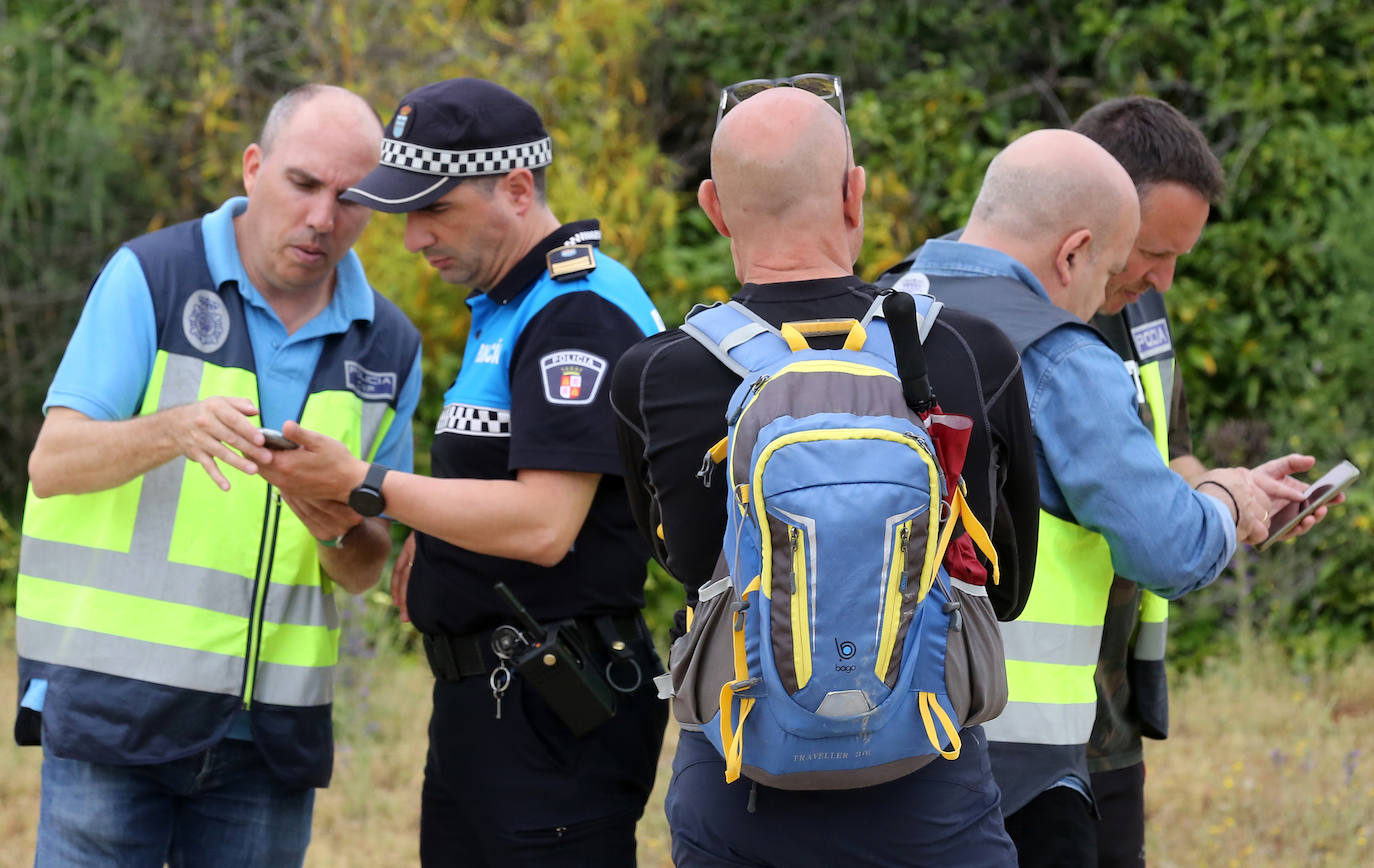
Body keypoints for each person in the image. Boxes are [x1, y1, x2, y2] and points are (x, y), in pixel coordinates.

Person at [612, 80, 1039, 866]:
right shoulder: (970, 350)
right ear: (856, 193)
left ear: (713, 207)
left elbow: (679, 563)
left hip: (741, 780)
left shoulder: (651, 375)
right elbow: (1008, 590)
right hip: (930, 782)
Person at [261, 77, 669, 866]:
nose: (413, 238)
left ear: (517, 190)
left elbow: (545, 526)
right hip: (492, 707)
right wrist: (431, 539)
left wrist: (368, 484)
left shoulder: (574, 308)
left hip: (550, 713)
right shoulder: (510, 304)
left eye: (434, 209)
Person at [14, 84, 423, 867]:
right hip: (114, 714)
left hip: (270, 739)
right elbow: (53, 463)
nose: (322, 219)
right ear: (253, 168)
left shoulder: (391, 345)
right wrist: (171, 430)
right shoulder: (149, 275)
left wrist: (332, 519)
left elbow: (364, 568)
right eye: (303, 184)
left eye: (350, 199)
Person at [882, 128, 1283, 867]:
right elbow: (1171, 548)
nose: (1114, 294)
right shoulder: (1065, 356)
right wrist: (1227, 497)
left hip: (862, 756)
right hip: (1018, 773)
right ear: (1072, 252)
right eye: (1108, 270)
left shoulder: (870, 314)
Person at [1074, 95, 1331, 868]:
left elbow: (1169, 458)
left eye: (1180, 256)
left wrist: (1235, 491)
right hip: (1005, 730)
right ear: (1100, 215)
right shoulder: (1017, 321)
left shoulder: (1141, 307)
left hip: (1109, 715)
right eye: (1154, 252)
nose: (1167, 280)